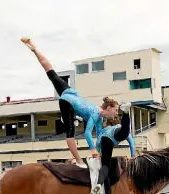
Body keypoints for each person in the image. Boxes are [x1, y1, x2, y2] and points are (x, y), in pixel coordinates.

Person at [21, 37, 119, 168]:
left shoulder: (99, 118)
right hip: (68, 102)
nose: (116, 112)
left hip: (71, 93)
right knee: (70, 131)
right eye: (116, 110)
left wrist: (99, 150)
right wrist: (93, 150)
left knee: (51, 73)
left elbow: (100, 135)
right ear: (109, 107)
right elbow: (88, 133)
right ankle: (79, 161)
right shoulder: (96, 113)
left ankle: (34, 49)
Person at [90, 110, 135, 194]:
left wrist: (96, 156)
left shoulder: (102, 132)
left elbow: (97, 149)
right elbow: (131, 141)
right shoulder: (117, 126)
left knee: (105, 166)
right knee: (125, 131)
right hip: (116, 133)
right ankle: (126, 113)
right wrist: (133, 155)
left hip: (105, 140)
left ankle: (98, 185)